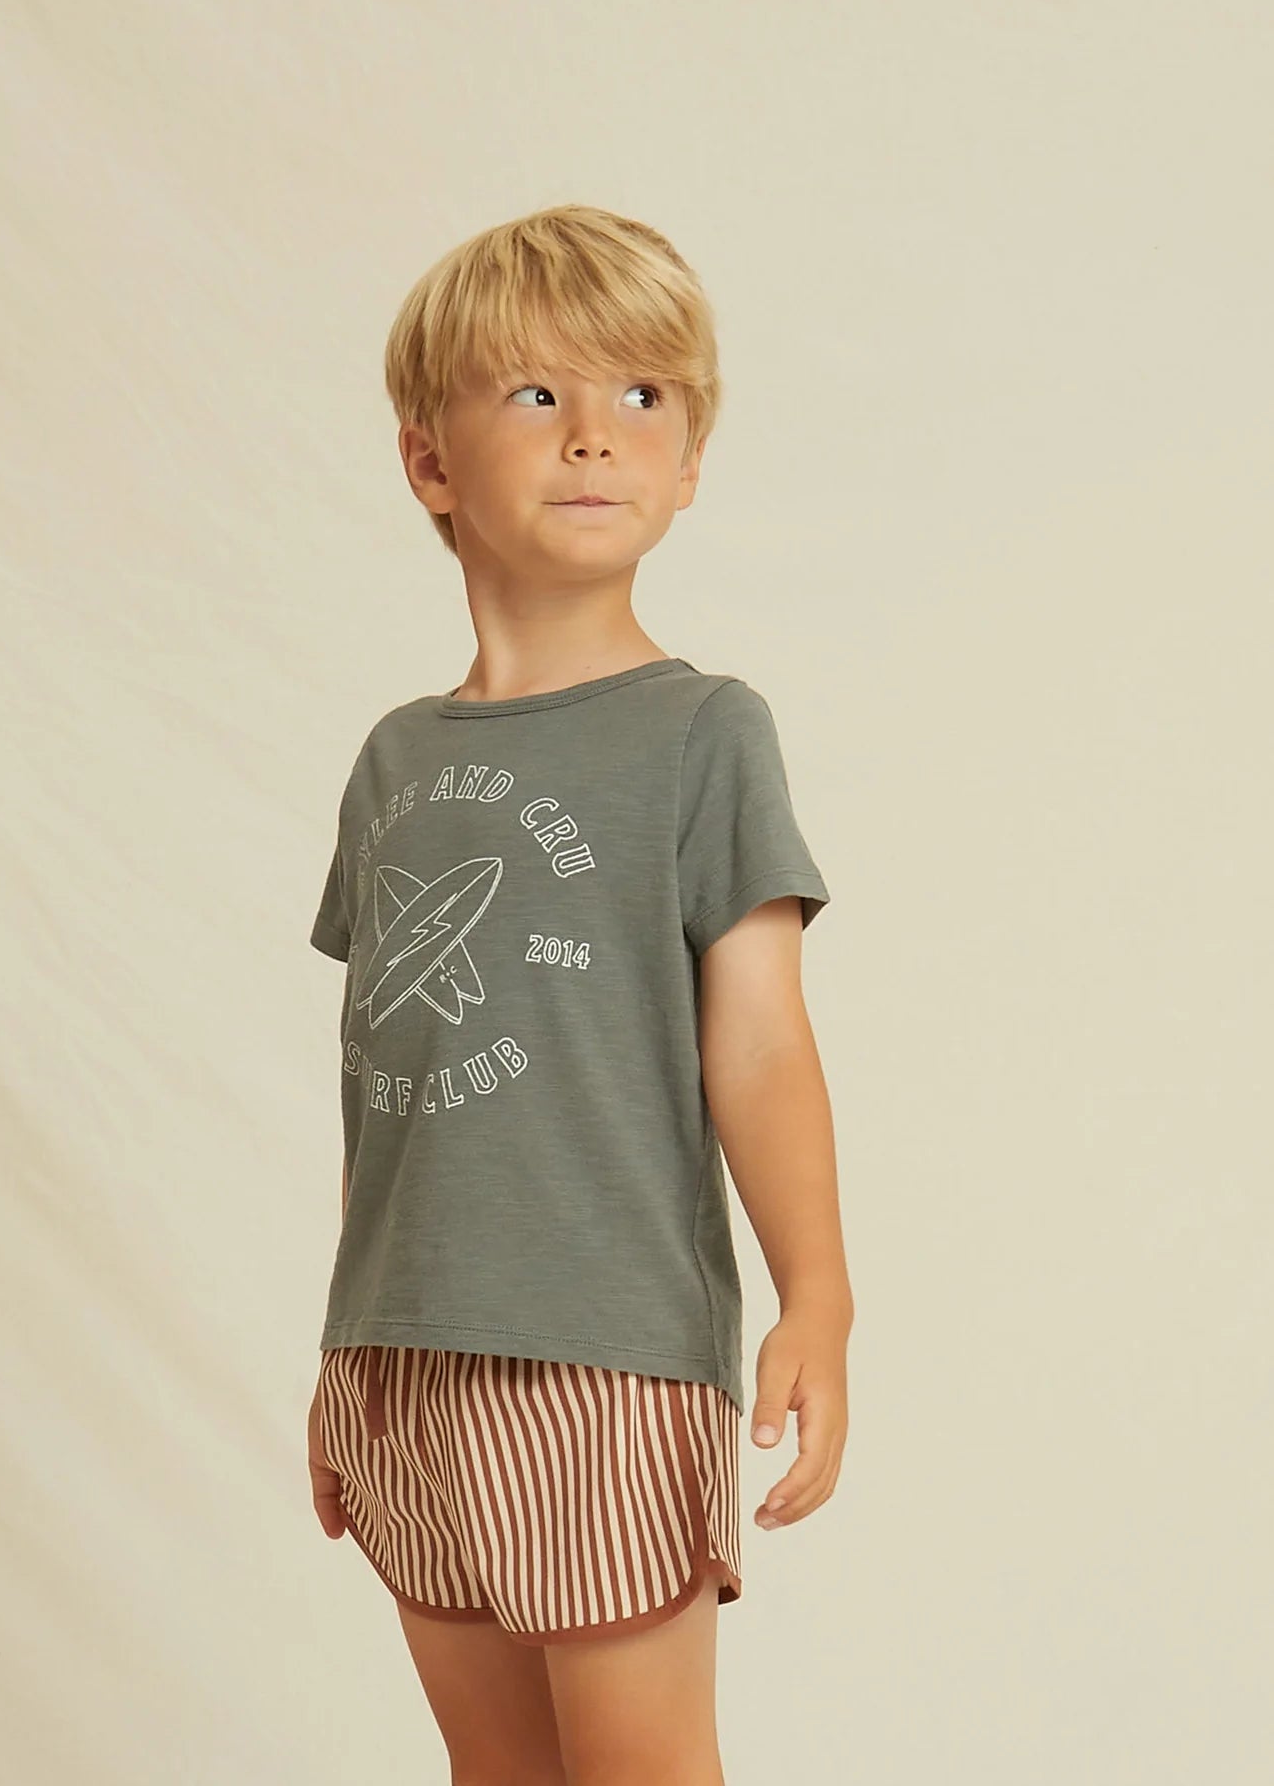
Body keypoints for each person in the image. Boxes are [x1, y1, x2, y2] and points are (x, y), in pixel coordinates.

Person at [304, 202, 853, 1785]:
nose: (596, 433)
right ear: (430, 462)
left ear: (689, 463)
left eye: (643, 397)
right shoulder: (393, 759)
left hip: (605, 1349)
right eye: (538, 394)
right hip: (407, 1359)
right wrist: (348, 1346)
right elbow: (384, 1069)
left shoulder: (702, 732)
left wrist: (816, 1291)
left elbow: (760, 1038)